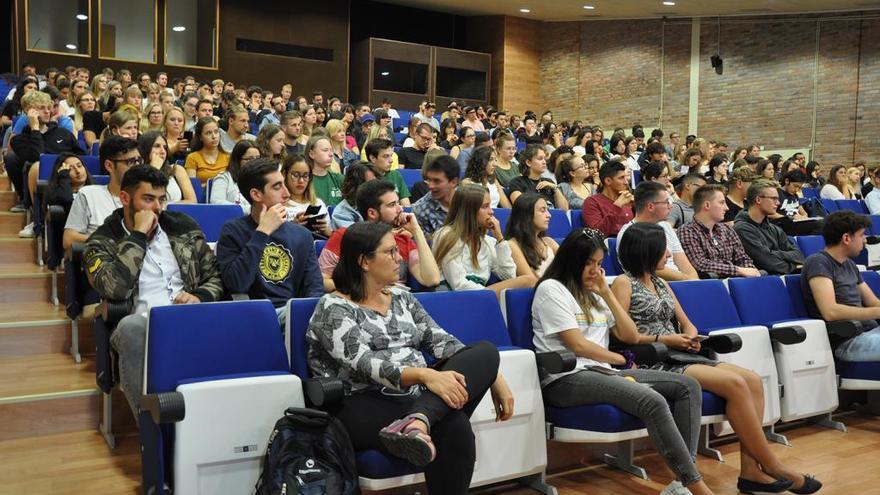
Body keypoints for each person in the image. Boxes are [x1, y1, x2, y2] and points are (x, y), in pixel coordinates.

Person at [612, 223, 820, 495]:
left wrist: (690, 336)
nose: (669, 254)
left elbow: (686, 323)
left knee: (753, 380)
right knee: (735, 383)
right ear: (646, 250)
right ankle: (772, 464)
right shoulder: (623, 283)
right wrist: (667, 340)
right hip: (654, 358)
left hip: (679, 351)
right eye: (663, 249)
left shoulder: (661, 282)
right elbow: (622, 335)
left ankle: (750, 471)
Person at [307, 222, 512, 495]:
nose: (399, 258)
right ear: (363, 261)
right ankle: (419, 419)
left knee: (485, 351)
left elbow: (442, 341)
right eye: (390, 252)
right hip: (359, 402)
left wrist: (494, 376)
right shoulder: (333, 307)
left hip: (413, 398)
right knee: (454, 424)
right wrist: (425, 374)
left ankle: (418, 421)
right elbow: (363, 363)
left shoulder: (403, 299)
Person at [533, 228, 715, 495]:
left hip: (602, 372)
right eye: (588, 263)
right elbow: (577, 344)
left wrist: (605, 293)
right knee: (651, 400)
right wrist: (618, 358)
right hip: (566, 378)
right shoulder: (552, 289)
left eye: (598, 264)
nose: (594, 270)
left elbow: (629, 334)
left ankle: (681, 483)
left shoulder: (595, 291)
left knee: (687, 386)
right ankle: (696, 486)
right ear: (571, 260)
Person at [83, 165, 224, 417]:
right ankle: (153, 433)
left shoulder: (182, 226)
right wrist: (137, 235)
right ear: (125, 198)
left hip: (191, 314)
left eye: (161, 199)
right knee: (130, 328)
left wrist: (200, 296)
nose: (157, 208)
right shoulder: (102, 240)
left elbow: (214, 275)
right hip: (144, 325)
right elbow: (114, 288)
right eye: (148, 199)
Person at [216, 159, 324, 323]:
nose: (287, 194)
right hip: (256, 316)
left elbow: (314, 288)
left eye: (284, 185)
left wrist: (307, 314)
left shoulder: (302, 235)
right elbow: (237, 284)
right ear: (256, 194)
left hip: (295, 315)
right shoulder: (233, 231)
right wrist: (263, 231)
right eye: (277, 187)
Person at [319, 180, 441, 292]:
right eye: (392, 205)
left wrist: (416, 231)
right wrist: (365, 287)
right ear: (372, 213)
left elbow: (432, 279)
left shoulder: (404, 239)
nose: (400, 209)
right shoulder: (344, 237)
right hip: (359, 303)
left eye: (399, 203)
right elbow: (322, 282)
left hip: (400, 304)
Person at [432, 184, 536, 296]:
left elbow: (509, 275)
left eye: (490, 206)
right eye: (485, 206)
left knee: (528, 281)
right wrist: (487, 295)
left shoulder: (488, 241)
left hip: (480, 295)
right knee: (528, 281)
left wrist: (500, 239)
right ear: (469, 210)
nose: (491, 212)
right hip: (454, 298)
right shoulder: (446, 235)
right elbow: (458, 285)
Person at [802, 210, 880, 356]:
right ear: (846, 238)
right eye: (862, 235)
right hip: (847, 340)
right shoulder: (818, 262)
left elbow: (873, 302)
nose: (865, 240)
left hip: (870, 332)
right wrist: (877, 312)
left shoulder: (849, 264)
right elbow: (831, 312)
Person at [63, 136, 140, 250]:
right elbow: (69, 240)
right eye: (131, 162)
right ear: (109, 165)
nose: (138, 167)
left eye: (139, 161)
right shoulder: (89, 194)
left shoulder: (148, 197)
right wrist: (111, 241)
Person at [618, 182, 698, 281]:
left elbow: (684, 263)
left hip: (682, 283)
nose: (670, 206)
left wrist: (695, 282)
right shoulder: (629, 233)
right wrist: (687, 279)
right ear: (651, 206)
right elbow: (650, 269)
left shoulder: (665, 226)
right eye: (666, 202)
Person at [678, 184, 760, 278]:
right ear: (707, 205)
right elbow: (700, 264)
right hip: (711, 286)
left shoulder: (727, 230)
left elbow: (742, 258)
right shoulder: (687, 231)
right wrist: (738, 270)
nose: (727, 208)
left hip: (737, 283)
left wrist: (751, 271)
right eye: (722, 203)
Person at [733, 180, 805, 275]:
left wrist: (773, 253)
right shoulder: (741, 229)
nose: (778, 203)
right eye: (774, 198)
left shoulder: (774, 229)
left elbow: (799, 256)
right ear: (758, 200)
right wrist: (793, 266)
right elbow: (769, 263)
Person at [505, 193, 558, 278]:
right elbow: (531, 281)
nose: (549, 215)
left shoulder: (549, 242)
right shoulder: (512, 245)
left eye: (547, 210)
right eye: (542, 210)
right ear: (527, 214)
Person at [281, 154, 332, 238]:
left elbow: (330, 239)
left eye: (305, 176)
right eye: (296, 175)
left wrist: (326, 231)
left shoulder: (318, 203)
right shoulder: (278, 206)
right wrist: (292, 226)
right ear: (284, 174)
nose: (301, 181)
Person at [138, 132, 196, 204]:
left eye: (165, 147)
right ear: (145, 149)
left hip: (175, 213)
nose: (162, 151)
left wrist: (166, 206)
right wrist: (154, 169)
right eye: (157, 146)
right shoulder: (136, 173)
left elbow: (192, 201)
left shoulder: (176, 169)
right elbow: (142, 199)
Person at [581, 160, 634, 237]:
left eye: (626, 177)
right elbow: (598, 233)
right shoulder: (592, 202)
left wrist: (639, 206)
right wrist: (617, 206)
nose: (626, 182)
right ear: (608, 181)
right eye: (621, 178)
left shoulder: (629, 200)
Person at [412, 155, 459, 239]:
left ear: (453, 182)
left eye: (437, 181)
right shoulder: (420, 209)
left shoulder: (469, 201)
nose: (431, 186)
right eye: (429, 180)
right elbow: (424, 246)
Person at [508, 145, 568, 210]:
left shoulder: (549, 182)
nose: (544, 162)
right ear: (528, 162)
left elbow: (564, 210)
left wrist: (555, 188)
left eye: (545, 159)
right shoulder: (517, 182)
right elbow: (520, 207)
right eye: (540, 159)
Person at [209, 139, 259, 213]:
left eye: (258, 158)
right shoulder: (224, 177)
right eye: (250, 159)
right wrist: (249, 209)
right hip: (233, 219)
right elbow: (216, 202)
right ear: (238, 160)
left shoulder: (263, 179)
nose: (255, 163)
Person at [329, 163, 376, 231]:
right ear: (356, 186)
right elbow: (357, 237)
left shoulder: (379, 203)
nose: (376, 187)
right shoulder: (342, 213)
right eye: (370, 184)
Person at [185, 117, 230, 186]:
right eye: (208, 133)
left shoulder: (228, 157)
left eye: (216, 132)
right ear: (200, 137)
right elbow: (191, 187)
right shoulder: (192, 158)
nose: (214, 136)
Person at [365, 138, 411, 206]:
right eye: (386, 156)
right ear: (373, 158)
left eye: (391, 156)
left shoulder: (396, 175)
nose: (391, 160)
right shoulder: (364, 177)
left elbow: (406, 205)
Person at [306, 135, 345, 206]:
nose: (331, 154)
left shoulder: (339, 179)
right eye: (325, 150)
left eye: (331, 150)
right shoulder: (305, 181)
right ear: (312, 154)